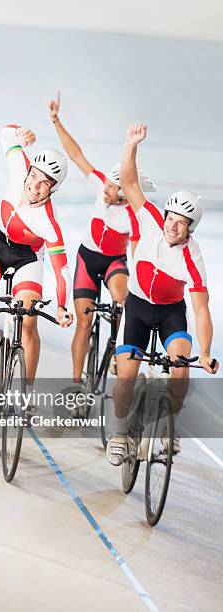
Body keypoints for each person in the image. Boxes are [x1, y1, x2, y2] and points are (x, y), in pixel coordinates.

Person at [107, 123, 219, 466]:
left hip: (171, 312)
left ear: (190, 229)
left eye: (181, 222)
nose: (172, 224)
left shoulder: (191, 257)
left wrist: (204, 352)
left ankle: (171, 421)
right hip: (138, 307)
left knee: (181, 369)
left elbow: (200, 311)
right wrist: (130, 146)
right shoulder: (153, 219)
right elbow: (129, 183)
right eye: (172, 217)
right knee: (126, 375)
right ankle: (121, 432)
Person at [0, 124, 73, 398]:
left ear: (53, 189)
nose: (34, 184)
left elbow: (62, 270)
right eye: (35, 175)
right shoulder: (20, 166)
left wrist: (61, 306)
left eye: (44, 182)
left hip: (27, 258)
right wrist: (21, 132)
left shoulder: (49, 222)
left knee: (29, 321)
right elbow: (5, 135)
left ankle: (26, 392)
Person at [48, 93, 155, 383]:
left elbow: (135, 253)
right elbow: (76, 154)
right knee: (84, 323)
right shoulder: (100, 185)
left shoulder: (132, 215)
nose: (106, 190)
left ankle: (119, 349)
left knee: (123, 298)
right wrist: (56, 120)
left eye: (112, 188)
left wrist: (140, 290)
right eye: (106, 184)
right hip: (88, 258)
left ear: (124, 193)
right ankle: (75, 382)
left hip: (113, 262)